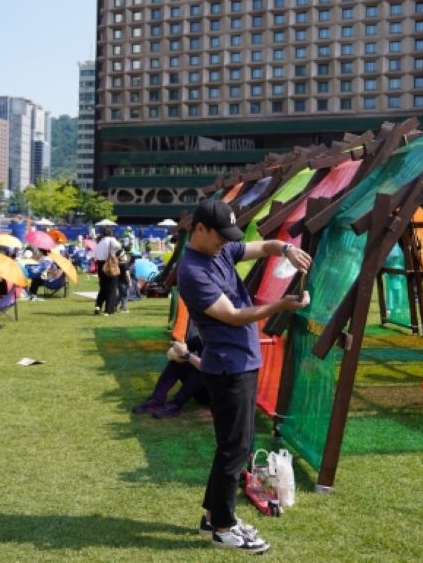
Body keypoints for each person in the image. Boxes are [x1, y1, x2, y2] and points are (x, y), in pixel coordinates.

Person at [178, 199, 311, 553]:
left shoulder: (220, 249)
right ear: (200, 229)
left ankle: (212, 517)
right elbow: (233, 315)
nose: (226, 242)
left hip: (242, 362)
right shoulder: (193, 271)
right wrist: (282, 305)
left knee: (233, 447)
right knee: (234, 450)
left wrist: (286, 249)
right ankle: (224, 527)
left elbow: (265, 246)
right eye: (220, 235)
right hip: (227, 367)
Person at [133, 335, 211, 419]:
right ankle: (157, 399)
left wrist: (186, 355)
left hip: (213, 396)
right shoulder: (199, 339)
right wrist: (178, 352)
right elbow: (171, 353)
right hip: (201, 389)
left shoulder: (220, 342)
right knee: (177, 362)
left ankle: (176, 404)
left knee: (203, 369)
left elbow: (208, 366)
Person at [94, 227, 121, 315]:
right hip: (109, 264)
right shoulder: (111, 240)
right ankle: (109, 309)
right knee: (112, 287)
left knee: (103, 287)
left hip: (100, 265)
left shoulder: (99, 241)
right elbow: (118, 246)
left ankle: (98, 306)